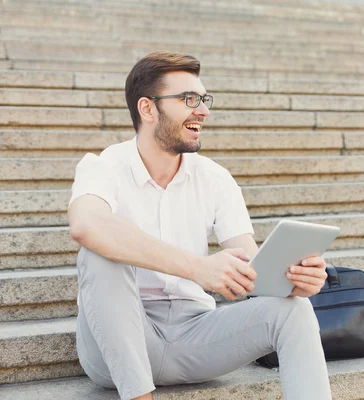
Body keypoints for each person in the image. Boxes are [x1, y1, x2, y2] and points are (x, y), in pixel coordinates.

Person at [67, 51, 332, 400]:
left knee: (294, 310)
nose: (203, 110)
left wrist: (293, 282)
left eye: (204, 99)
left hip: (197, 337)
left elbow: (253, 268)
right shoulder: (103, 167)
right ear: (148, 109)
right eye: (189, 99)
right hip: (119, 345)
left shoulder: (214, 178)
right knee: (99, 253)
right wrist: (198, 268)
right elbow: (86, 225)